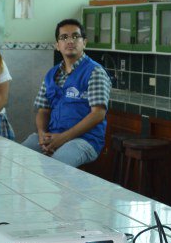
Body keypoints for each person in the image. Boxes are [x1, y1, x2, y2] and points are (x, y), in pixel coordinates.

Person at [21, 19, 110, 167]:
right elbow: (43, 110)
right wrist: (42, 134)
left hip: (84, 140)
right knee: (20, 156)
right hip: (53, 136)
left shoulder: (95, 72)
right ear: (57, 45)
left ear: (84, 42)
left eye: (75, 36)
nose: (70, 41)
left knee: (57, 165)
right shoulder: (52, 74)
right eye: (64, 37)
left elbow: (98, 114)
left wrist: (62, 138)